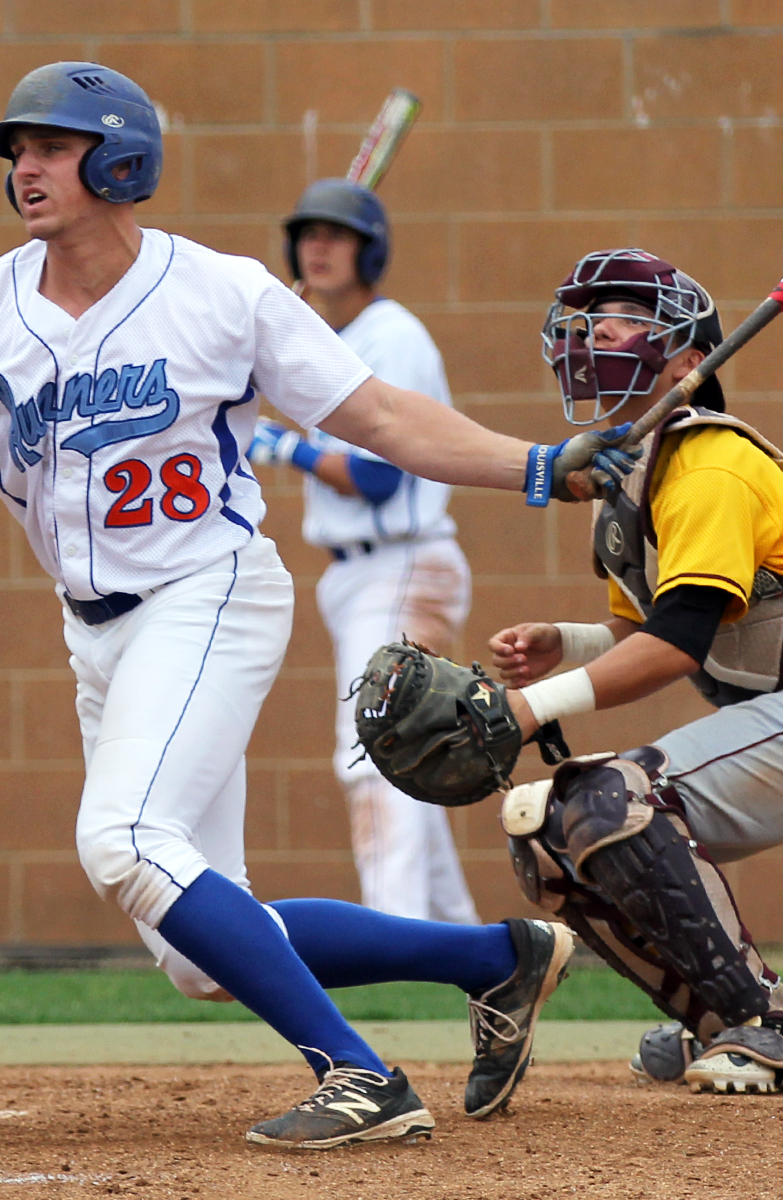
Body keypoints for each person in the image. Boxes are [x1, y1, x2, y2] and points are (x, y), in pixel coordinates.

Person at [0, 62, 634, 1146]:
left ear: (120, 159)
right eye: (18, 151)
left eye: (51, 144)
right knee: (197, 955)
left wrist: (538, 466)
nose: (25, 166)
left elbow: (378, 418)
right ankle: (495, 960)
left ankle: (363, 1077)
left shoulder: (221, 292)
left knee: (124, 840)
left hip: (208, 591)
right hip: (94, 630)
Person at [484, 248, 783, 1093]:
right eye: (590, 317)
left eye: (625, 318)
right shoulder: (632, 476)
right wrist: (564, 645)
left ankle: (764, 1026)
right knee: (548, 832)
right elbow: (646, 627)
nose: (594, 332)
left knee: (615, 799)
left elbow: (678, 643)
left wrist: (530, 708)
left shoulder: (709, 464)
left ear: (687, 361)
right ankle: (722, 1018)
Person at [247, 178, 479, 925]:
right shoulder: (327, 339)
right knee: (403, 759)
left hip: (402, 561)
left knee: (370, 756)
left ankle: (399, 943)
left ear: (366, 249)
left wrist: (284, 445)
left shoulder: (390, 334)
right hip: (360, 575)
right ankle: (472, 952)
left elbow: (379, 476)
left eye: (336, 235)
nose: (318, 246)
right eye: (308, 233)